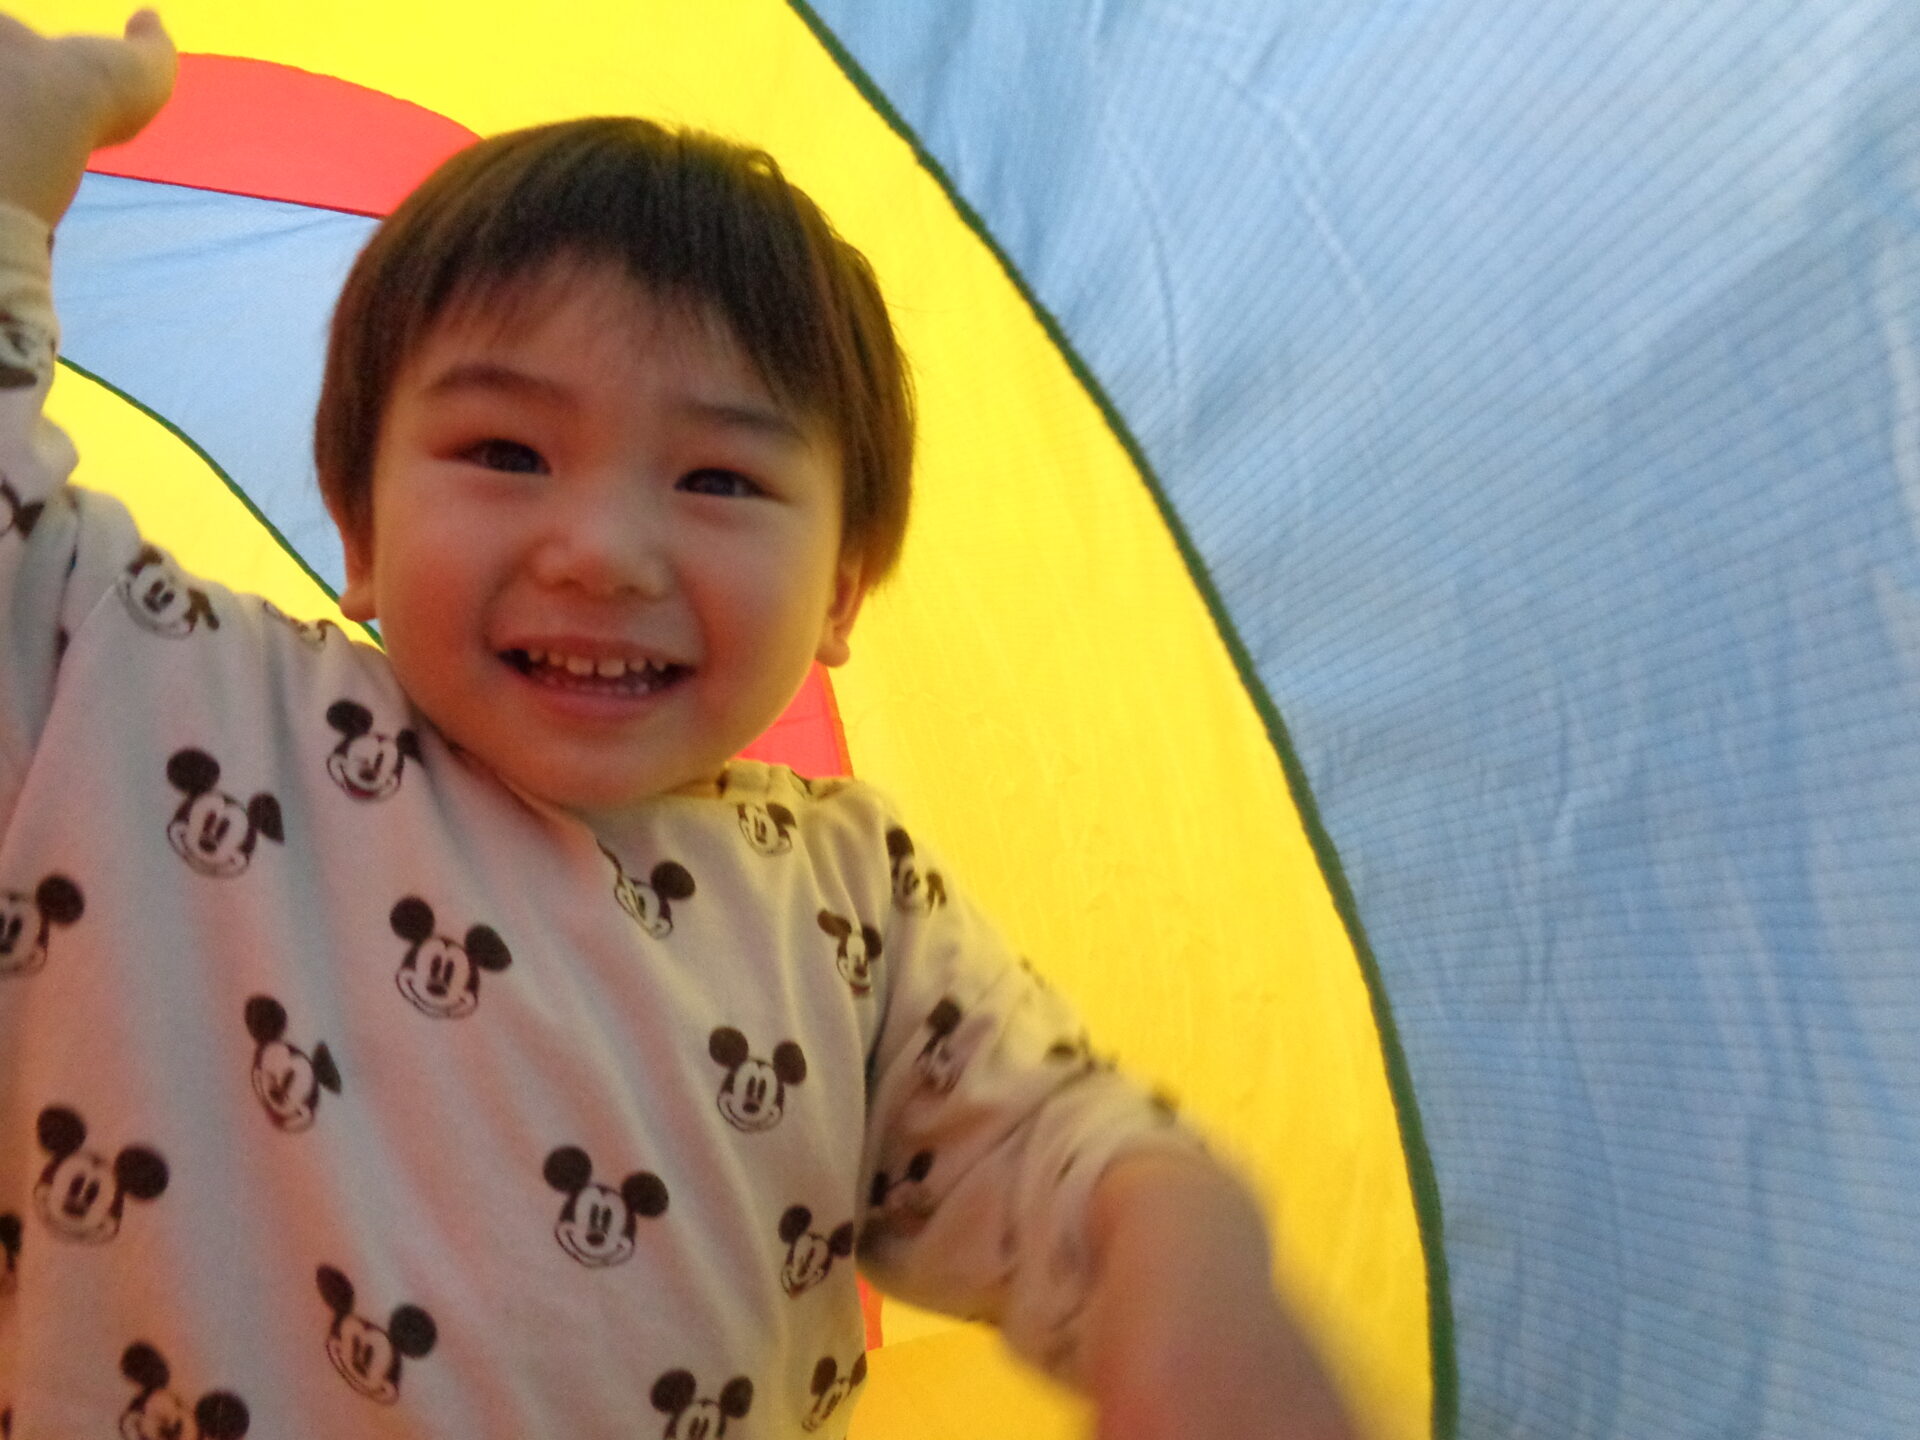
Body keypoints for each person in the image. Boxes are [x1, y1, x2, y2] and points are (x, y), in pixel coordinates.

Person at [0, 10, 1359, 1439]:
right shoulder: (181, 711)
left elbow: (1040, 1149)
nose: (603, 552)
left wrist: (1179, 1251)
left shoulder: (850, 907)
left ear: (840, 589)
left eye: (718, 481)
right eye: (505, 452)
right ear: (360, 530)